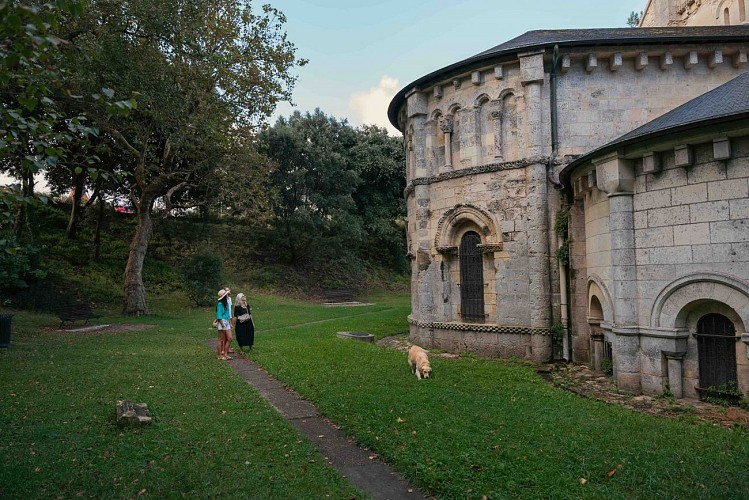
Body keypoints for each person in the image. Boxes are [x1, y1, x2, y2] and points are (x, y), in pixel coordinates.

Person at [216, 289, 233, 360]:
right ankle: (219, 355)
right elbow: (219, 316)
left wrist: (229, 323)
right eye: (226, 294)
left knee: (230, 338)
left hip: (227, 321)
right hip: (222, 321)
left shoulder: (227, 302)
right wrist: (223, 326)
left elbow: (228, 314)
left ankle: (225, 353)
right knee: (221, 339)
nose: (227, 295)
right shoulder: (220, 304)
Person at [224, 287, 235, 354]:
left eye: (229, 290)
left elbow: (230, 308)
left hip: (229, 317)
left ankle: (228, 348)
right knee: (226, 334)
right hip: (225, 318)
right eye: (227, 290)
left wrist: (232, 316)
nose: (228, 291)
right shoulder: (223, 299)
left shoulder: (230, 299)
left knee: (230, 332)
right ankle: (224, 349)